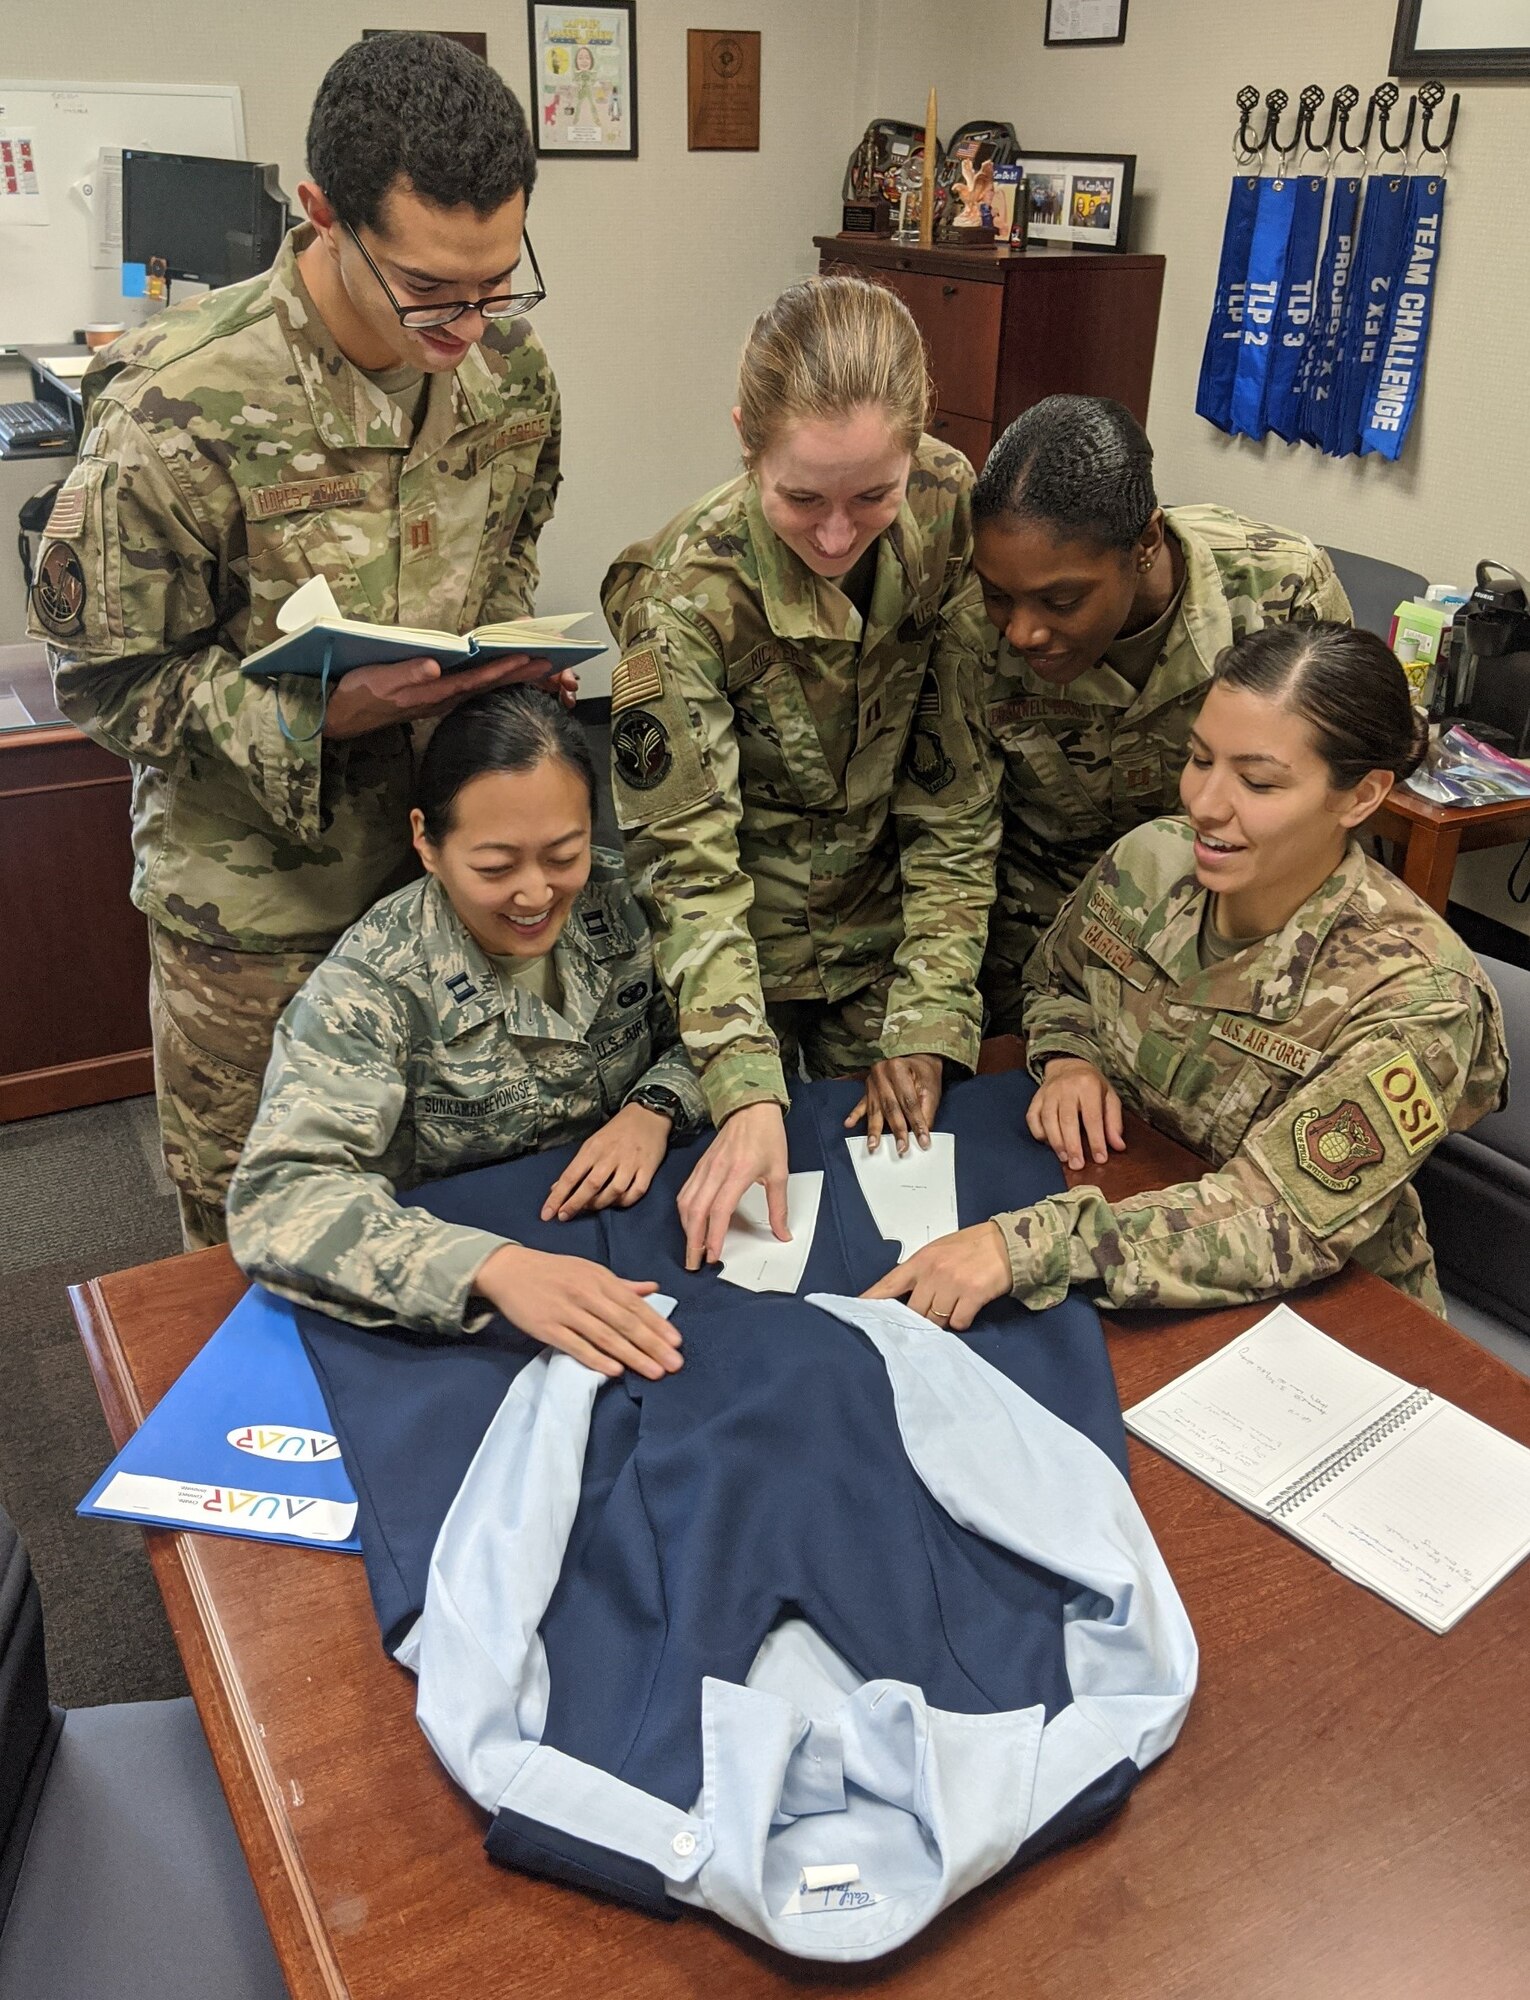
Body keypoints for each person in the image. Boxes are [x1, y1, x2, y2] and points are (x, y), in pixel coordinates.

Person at [29, 33, 564, 1248]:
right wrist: (313, 716)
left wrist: (502, 661)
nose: (470, 324)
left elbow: (512, 549)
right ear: (322, 213)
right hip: (261, 926)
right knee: (258, 1256)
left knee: (446, 1224)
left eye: (498, 283)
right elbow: (103, 679)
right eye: (431, 289)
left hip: (448, 891)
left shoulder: (512, 377)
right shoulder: (182, 400)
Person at [865, 622, 1508, 1329]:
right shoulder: (1153, 860)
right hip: (1137, 1212)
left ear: (1359, 798)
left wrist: (1023, 1249)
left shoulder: (1418, 996)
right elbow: (1059, 983)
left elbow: (1281, 1220)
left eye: (1258, 781)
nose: (1205, 804)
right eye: (1200, 760)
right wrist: (1071, 1059)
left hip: (1330, 1310)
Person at [600, 276, 1000, 1269]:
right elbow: (686, 866)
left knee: (898, 1236)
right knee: (719, 1236)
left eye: (873, 495)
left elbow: (955, 800)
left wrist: (930, 1013)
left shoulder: (951, 510)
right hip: (735, 965)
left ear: (919, 441)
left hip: (883, 937)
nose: (835, 534)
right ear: (747, 441)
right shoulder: (687, 594)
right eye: (801, 497)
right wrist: (741, 1081)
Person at [227, 687, 706, 1382]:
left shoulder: (630, 900)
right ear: (426, 841)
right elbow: (281, 1198)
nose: (537, 894)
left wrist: (655, 1106)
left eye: (564, 854)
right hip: (468, 1306)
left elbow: (736, 1030)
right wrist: (488, 1268)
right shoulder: (372, 983)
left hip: (640, 1236)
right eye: (495, 867)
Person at [972, 394, 1353, 1029]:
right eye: (998, 597)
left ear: (1145, 542)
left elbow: (1332, 806)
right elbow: (956, 831)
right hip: (1035, 948)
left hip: (1230, 944)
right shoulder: (968, 620)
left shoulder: (1282, 592)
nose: (1022, 633)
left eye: (1061, 600)